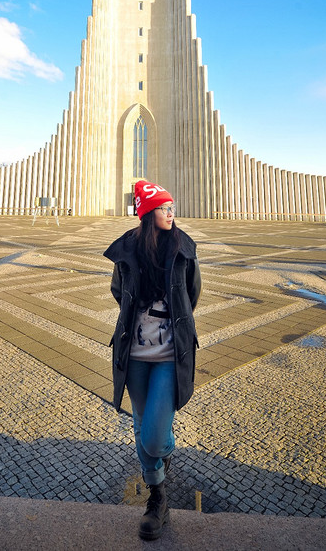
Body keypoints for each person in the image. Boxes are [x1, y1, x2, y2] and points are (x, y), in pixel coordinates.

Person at [104, 180, 201, 541]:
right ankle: (157, 497)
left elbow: (192, 294)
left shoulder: (183, 250)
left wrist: (175, 324)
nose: (171, 213)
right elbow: (119, 291)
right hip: (135, 356)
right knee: (142, 426)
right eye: (164, 208)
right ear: (147, 213)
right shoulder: (128, 250)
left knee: (154, 439)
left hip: (168, 356)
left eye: (172, 206)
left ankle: (163, 452)